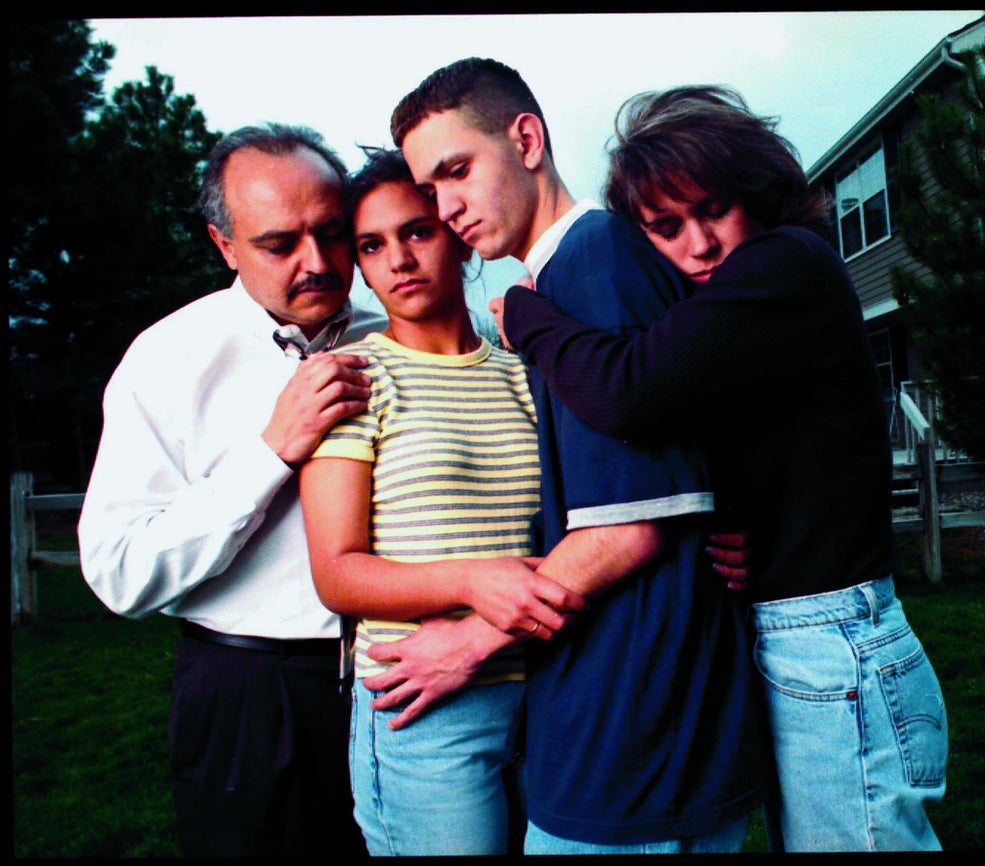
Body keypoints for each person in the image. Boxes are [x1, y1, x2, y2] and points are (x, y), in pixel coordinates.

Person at [494, 85, 949, 852]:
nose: (698, 245)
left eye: (713, 210)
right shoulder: (755, 293)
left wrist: (527, 314)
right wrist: (752, 522)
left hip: (834, 641)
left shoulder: (786, 260)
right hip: (808, 633)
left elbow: (632, 389)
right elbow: (792, 445)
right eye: (665, 229)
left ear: (756, 191)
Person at [379, 58, 764, 854]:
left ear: (525, 139)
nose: (446, 208)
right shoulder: (559, 284)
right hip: (626, 720)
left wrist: (469, 641)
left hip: (636, 738)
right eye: (430, 188)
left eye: (457, 171)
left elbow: (634, 523)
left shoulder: (597, 263)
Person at [77, 123, 384, 857]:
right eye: (280, 245)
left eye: (331, 232)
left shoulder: (399, 337)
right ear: (224, 246)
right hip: (252, 698)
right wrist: (269, 454)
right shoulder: (167, 359)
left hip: (404, 682)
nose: (316, 263)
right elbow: (119, 574)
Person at [297, 147, 586, 855]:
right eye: (372, 244)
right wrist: (470, 580)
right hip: (423, 709)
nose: (397, 259)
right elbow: (336, 573)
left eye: (416, 231)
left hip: (547, 692)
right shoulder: (353, 377)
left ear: (458, 236)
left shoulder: (526, 372)